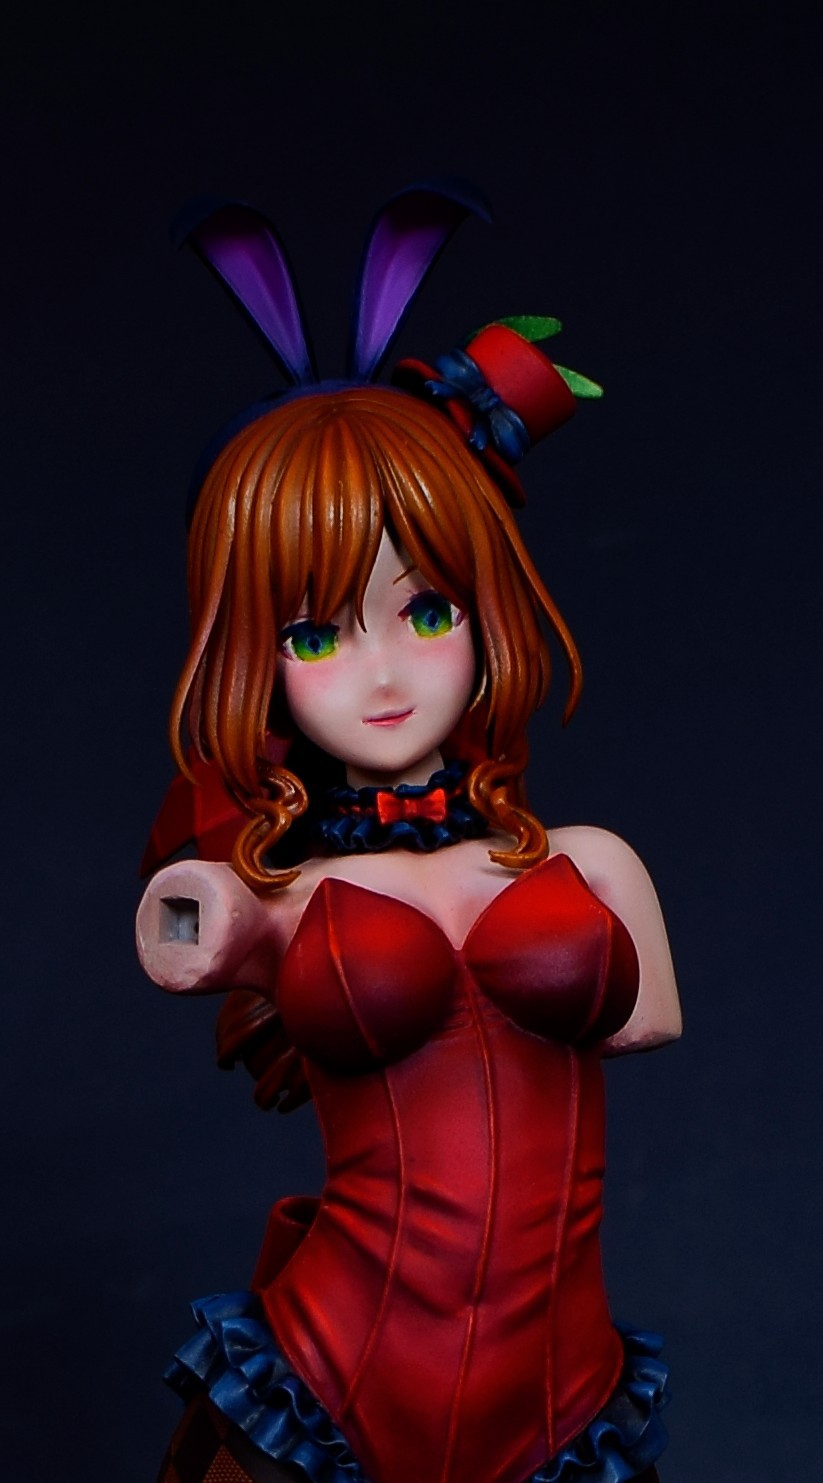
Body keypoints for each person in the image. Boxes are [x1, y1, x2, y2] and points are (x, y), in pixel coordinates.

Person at [137, 185, 681, 1483]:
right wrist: (211, 911)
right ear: (259, 661)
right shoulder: (284, 894)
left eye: (427, 611)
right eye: (316, 634)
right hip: (330, 1388)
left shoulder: (594, 864)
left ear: (486, 606)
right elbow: (189, 923)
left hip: (558, 1400)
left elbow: (648, 1014)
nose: (382, 672)